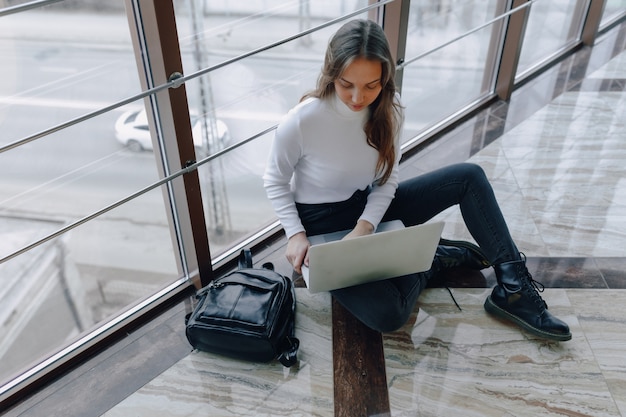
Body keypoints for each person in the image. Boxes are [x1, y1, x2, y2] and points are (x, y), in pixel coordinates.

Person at [263, 19, 571, 341]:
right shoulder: (302, 121)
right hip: (320, 226)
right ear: (331, 73)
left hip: (366, 208)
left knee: (469, 177)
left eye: (372, 85)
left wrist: (364, 228)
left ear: (385, 78)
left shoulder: (388, 111)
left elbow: (386, 180)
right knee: (389, 313)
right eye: (346, 84)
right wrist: (296, 234)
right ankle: (433, 258)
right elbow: (275, 180)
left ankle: (514, 288)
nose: (358, 97)